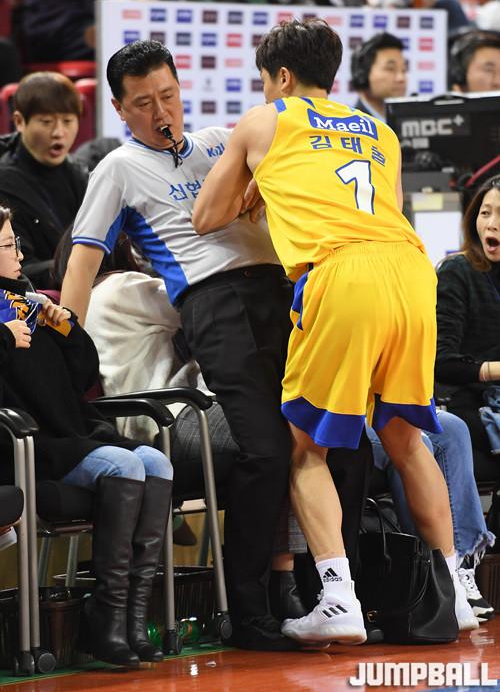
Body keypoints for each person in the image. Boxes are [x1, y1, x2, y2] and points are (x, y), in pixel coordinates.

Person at [60, 38, 374, 650]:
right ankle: (248, 612)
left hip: (286, 294)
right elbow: (83, 258)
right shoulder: (116, 169)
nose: (161, 112)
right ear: (119, 110)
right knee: (264, 451)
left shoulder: (218, 141)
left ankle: (339, 596)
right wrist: (66, 343)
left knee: (342, 439)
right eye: (144, 103)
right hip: (216, 305)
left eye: (168, 95)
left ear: (182, 89)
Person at [192, 17, 479, 644]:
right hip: (411, 272)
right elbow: (384, 206)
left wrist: (256, 187)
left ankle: (338, 599)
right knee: (406, 439)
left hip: (342, 275)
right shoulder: (380, 130)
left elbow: (205, 215)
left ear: (282, 76)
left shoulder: (264, 121)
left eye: (265, 80)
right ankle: (454, 591)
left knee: (304, 448)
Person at [0, 205, 173, 668]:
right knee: (125, 463)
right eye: (9, 246)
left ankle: (130, 618)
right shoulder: (5, 319)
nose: (20, 255)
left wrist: (67, 329)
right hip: (23, 445)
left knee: (157, 461)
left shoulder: (27, 301)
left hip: (70, 433)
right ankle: (105, 617)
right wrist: (4, 339)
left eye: (17, 244)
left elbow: (80, 378)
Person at [367, 410, 496, 622]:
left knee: (453, 428)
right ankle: (429, 577)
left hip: (378, 403)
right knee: (413, 443)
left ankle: (457, 568)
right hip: (341, 412)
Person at [0, 72, 88, 288]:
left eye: (68, 121)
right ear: (19, 122)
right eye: (46, 122)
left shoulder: (79, 174)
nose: (59, 132)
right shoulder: (5, 182)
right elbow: (19, 269)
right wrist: (83, 266)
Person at [436, 175, 500, 467]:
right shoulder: (456, 272)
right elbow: (441, 362)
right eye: (485, 213)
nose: (492, 224)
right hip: (471, 406)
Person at [22, 0, 177, 62]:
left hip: (96, 21)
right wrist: (131, 10)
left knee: (165, 41)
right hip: (55, 30)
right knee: (136, 49)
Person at [350, 32, 407, 122]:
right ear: (362, 75)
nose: (401, 78)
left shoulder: (408, 122)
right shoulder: (351, 125)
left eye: (403, 70)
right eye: (390, 69)